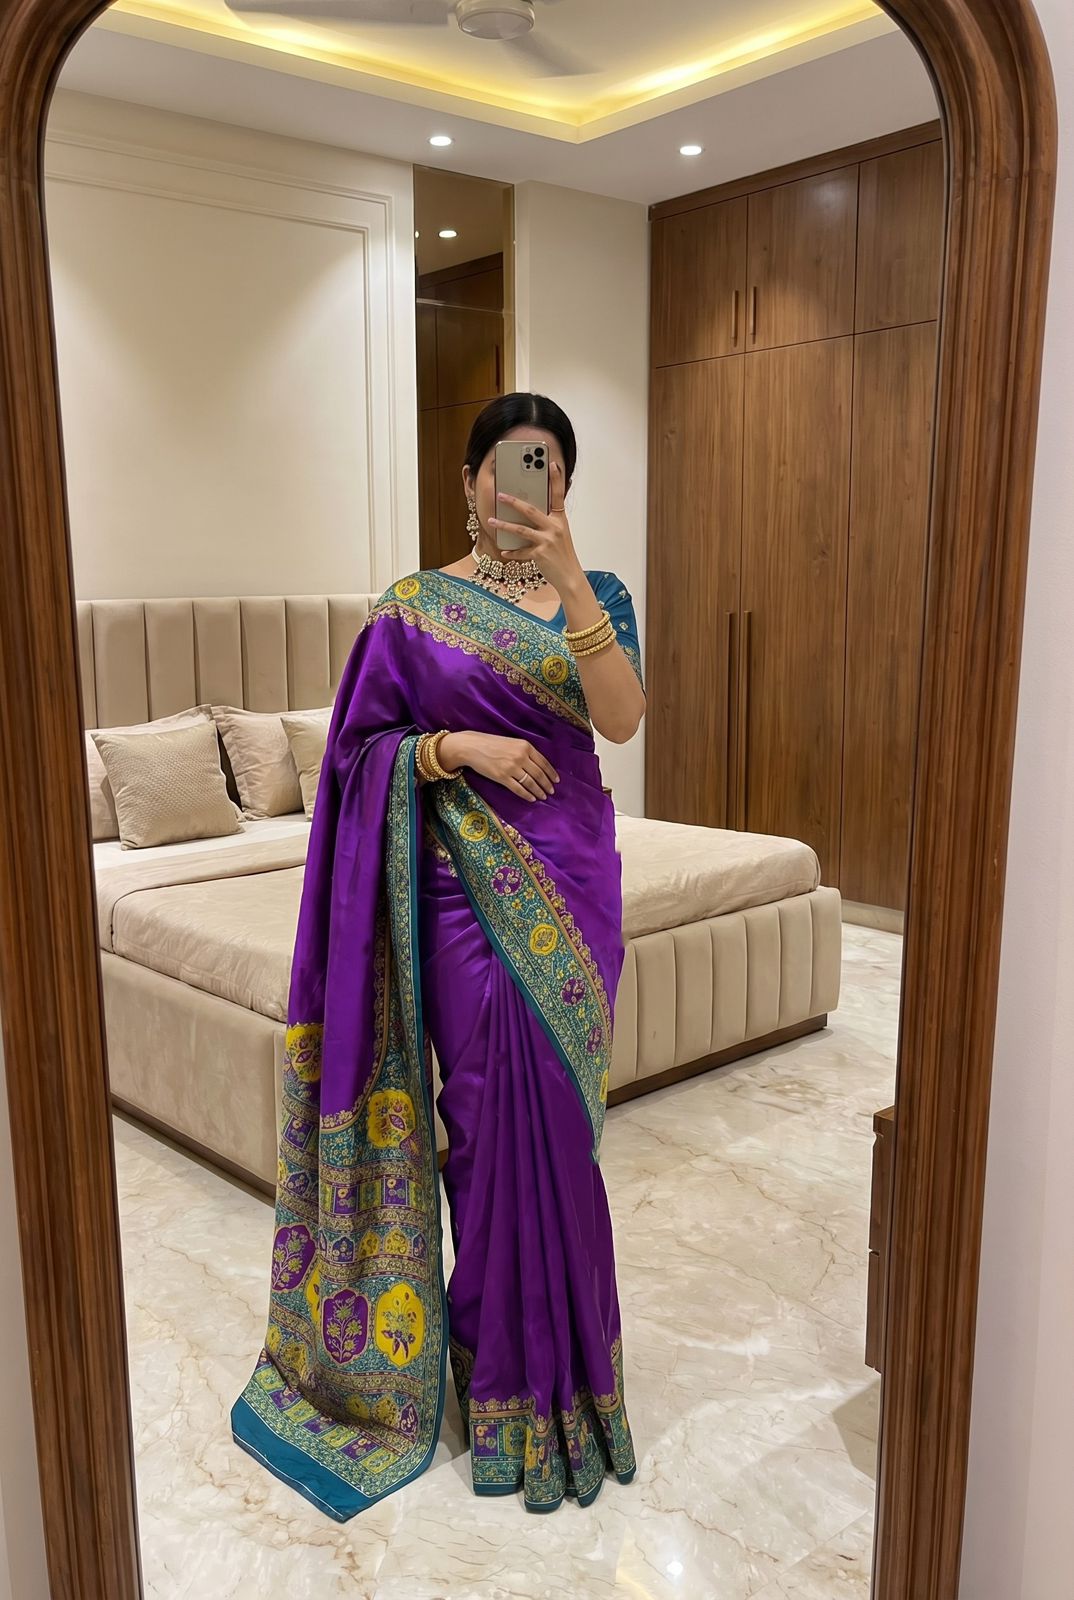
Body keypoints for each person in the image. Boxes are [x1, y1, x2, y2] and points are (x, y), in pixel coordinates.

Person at [231, 392, 646, 1519]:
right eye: (508, 466)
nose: (524, 487)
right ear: (469, 481)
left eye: (547, 468)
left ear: (566, 486)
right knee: (487, 1125)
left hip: (575, 885)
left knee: (563, 1136)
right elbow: (356, 755)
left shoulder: (599, 595)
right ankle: (497, 1374)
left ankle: (577, 1380)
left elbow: (620, 720)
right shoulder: (410, 612)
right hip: (461, 893)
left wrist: (569, 578)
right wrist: (457, 746)